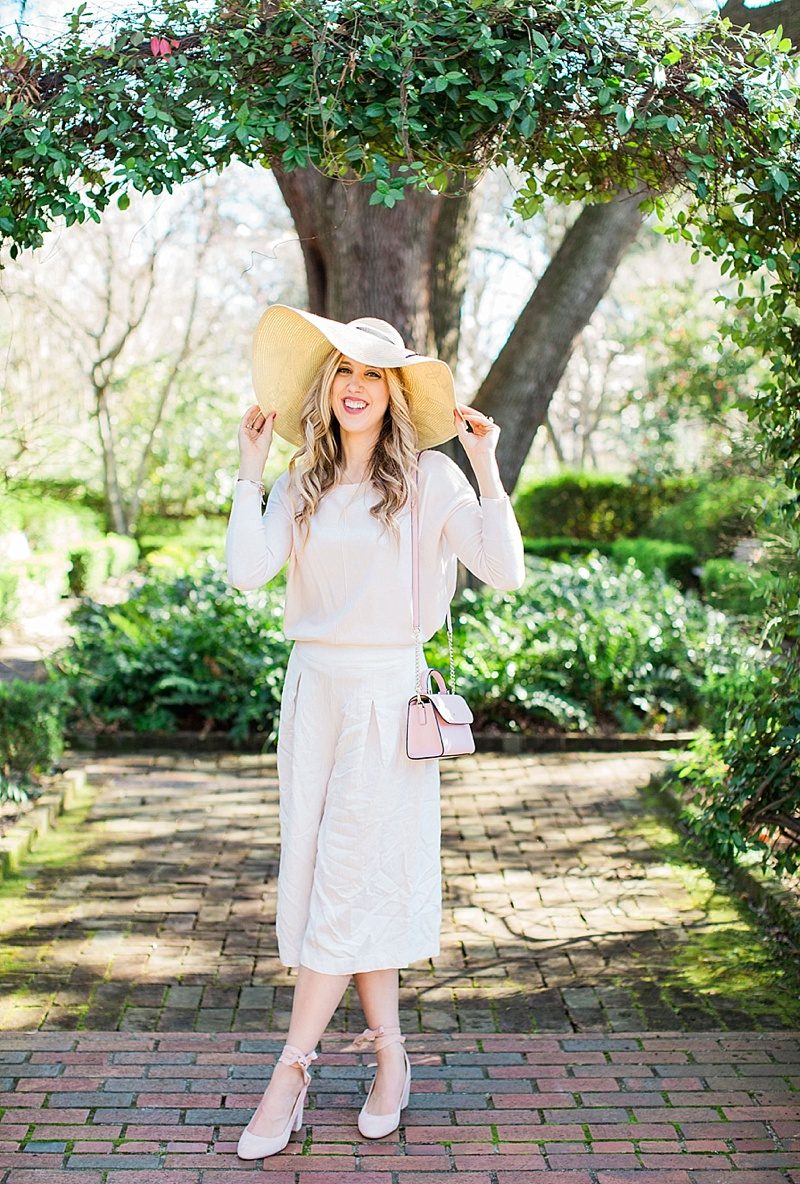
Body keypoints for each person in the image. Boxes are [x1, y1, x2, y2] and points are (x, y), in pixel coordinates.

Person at [224, 304, 525, 1160]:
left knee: (345, 882)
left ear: (395, 394)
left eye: (373, 375)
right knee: (333, 877)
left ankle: (290, 1070)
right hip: (313, 694)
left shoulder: (432, 481)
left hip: (388, 697)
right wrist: (251, 471)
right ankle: (391, 1059)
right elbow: (249, 571)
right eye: (344, 373)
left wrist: (485, 465)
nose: (356, 387)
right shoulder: (303, 478)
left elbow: (502, 572)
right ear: (328, 389)